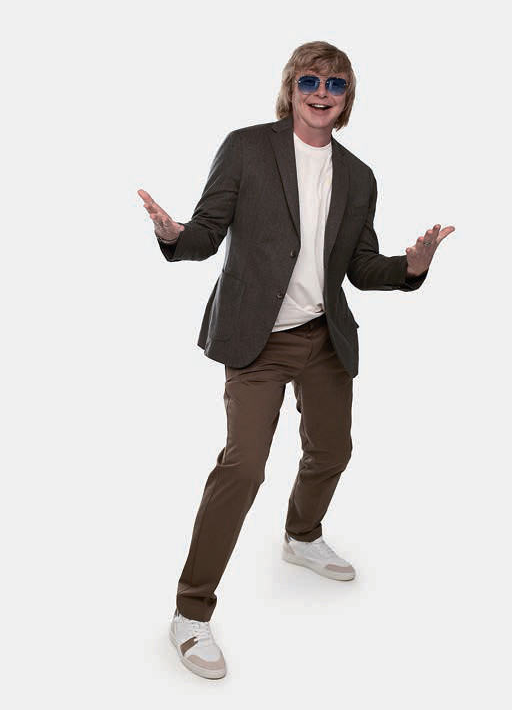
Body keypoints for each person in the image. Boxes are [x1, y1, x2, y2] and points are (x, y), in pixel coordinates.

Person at [138, 40, 455, 680]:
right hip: (257, 338)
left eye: (335, 84)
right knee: (243, 466)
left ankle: (302, 536)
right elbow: (207, 231)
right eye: (309, 80)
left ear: (347, 99)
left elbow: (360, 267)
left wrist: (410, 267)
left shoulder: (359, 176)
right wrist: (174, 236)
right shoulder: (246, 148)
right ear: (291, 88)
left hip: (323, 336)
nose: (321, 93)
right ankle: (190, 613)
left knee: (332, 450)